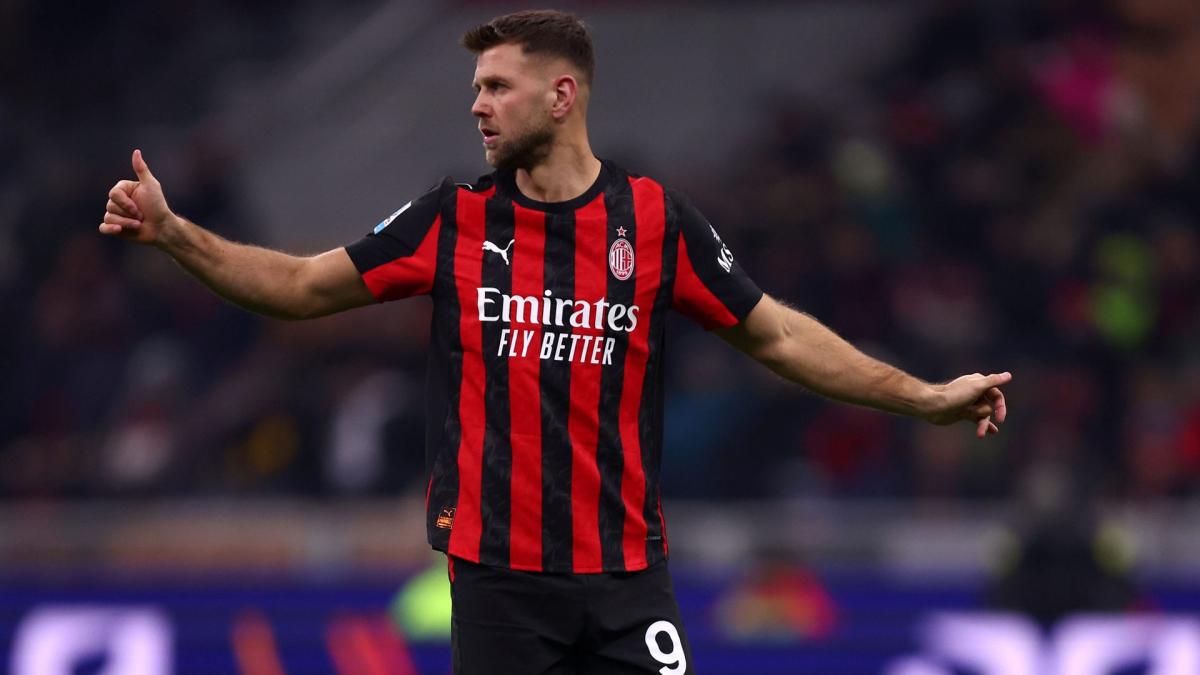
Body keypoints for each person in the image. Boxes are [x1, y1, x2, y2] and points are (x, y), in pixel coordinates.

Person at [99, 9, 1011, 674]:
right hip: (499, 583)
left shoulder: (654, 220)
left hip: (627, 578)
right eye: (476, 88)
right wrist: (177, 235)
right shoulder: (451, 219)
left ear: (562, 94)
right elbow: (301, 287)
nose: (478, 106)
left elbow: (777, 335)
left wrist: (924, 395)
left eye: (497, 87)